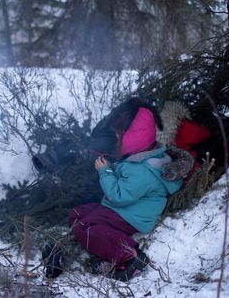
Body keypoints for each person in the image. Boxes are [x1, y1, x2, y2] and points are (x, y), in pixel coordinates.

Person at [67, 99, 183, 282]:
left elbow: (119, 196)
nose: (116, 140)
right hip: (121, 210)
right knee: (78, 214)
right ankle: (106, 244)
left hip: (129, 215)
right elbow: (126, 178)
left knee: (85, 226)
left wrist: (105, 172)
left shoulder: (143, 170)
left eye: (119, 135)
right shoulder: (142, 158)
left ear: (134, 137)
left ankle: (130, 257)